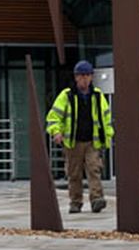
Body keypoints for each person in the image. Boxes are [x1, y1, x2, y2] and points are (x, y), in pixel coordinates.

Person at [45, 60, 114, 214]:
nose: (84, 79)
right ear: (76, 77)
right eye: (81, 76)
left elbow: (106, 119)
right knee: (73, 173)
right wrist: (56, 131)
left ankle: (97, 199)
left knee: (94, 169)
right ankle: (75, 202)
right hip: (72, 142)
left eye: (87, 75)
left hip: (92, 141)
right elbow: (54, 116)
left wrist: (107, 137)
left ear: (91, 77)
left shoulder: (98, 96)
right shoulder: (67, 96)